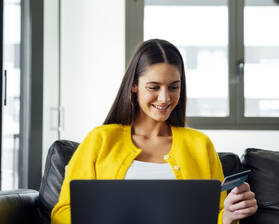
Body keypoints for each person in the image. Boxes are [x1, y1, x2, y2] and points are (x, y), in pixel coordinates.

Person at [51, 39, 258, 224]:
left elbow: (218, 215)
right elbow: (62, 212)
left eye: (174, 87)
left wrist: (230, 216)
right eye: (154, 87)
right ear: (134, 85)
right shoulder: (101, 139)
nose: (165, 98)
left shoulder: (200, 144)